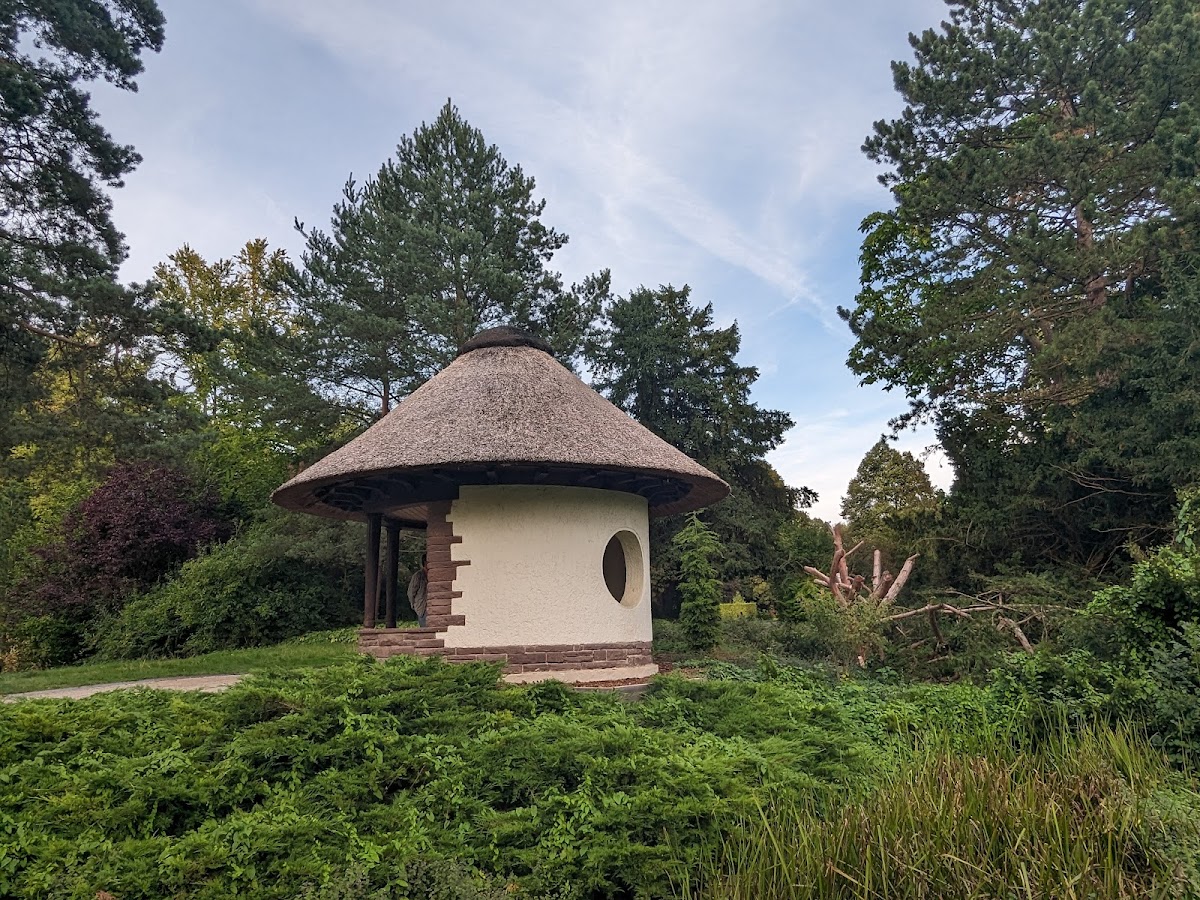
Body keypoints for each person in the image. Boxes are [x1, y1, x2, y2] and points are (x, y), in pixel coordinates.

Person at [407, 553, 428, 627]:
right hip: (422, 608)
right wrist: (414, 605)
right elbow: (411, 593)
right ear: (425, 562)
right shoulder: (418, 575)